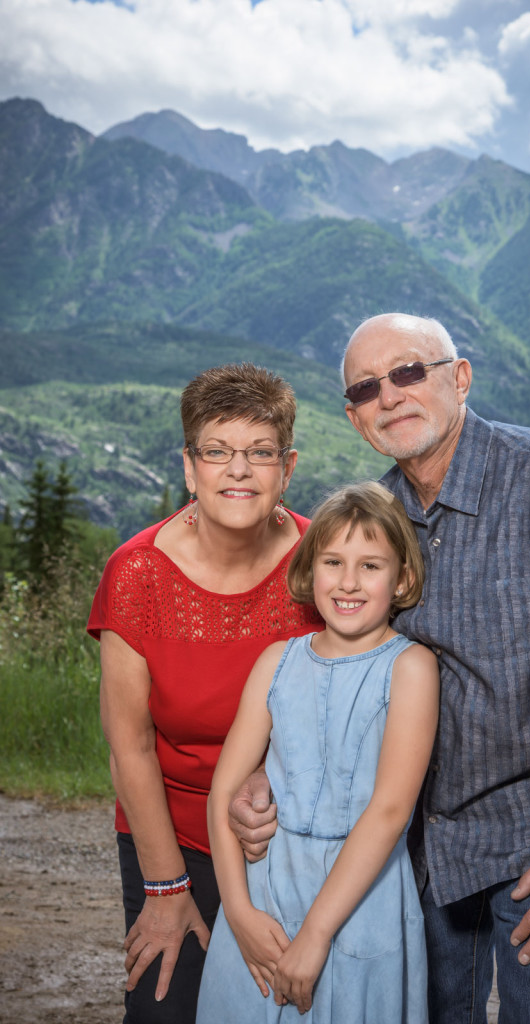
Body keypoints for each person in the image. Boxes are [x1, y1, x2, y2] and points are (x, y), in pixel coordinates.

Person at [230, 315, 530, 1024]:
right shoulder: (377, 522)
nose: (391, 395)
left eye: (410, 371)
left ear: (459, 378)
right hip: (419, 848)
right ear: (353, 417)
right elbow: (334, 668)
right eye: (368, 387)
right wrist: (265, 769)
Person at [87, 363, 322, 1024]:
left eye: (260, 452)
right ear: (190, 467)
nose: (238, 470)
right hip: (173, 836)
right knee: (164, 1008)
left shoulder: (322, 568)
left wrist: (270, 793)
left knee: (285, 1007)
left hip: (285, 837)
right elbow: (129, 747)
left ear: (288, 467)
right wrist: (165, 889)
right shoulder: (136, 575)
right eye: (217, 451)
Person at [196, 482, 440, 1022]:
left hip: (359, 902)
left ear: (402, 578)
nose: (348, 582)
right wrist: (236, 911)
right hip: (265, 895)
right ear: (311, 570)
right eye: (333, 561)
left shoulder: (411, 668)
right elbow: (223, 793)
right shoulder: (276, 662)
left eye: (371, 566)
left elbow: (390, 810)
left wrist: (317, 933)